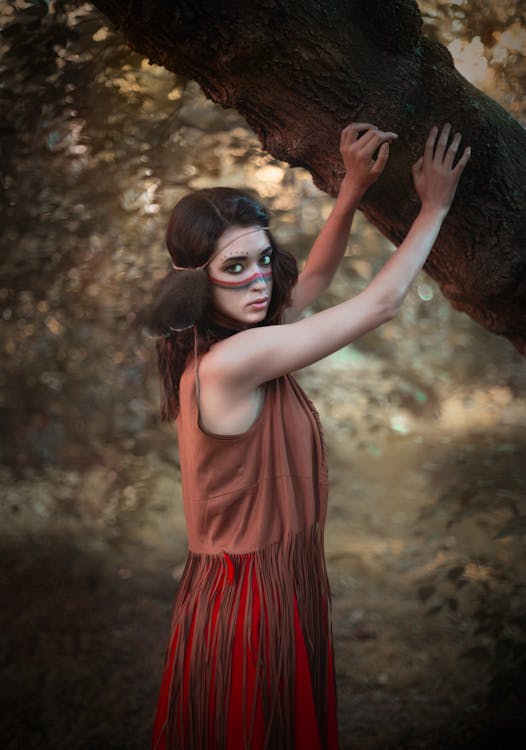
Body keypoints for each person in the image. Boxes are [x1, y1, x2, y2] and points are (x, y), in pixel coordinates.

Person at [147, 122, 470, 750]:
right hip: (247, 606)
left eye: (264, 257)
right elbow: (378, 305)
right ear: (197, 284)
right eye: (234, 267)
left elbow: (314, 281)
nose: (260, 279)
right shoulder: (229, 365)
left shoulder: (234, 341)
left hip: (270, 588)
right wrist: (435, 206)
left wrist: (350, 191)